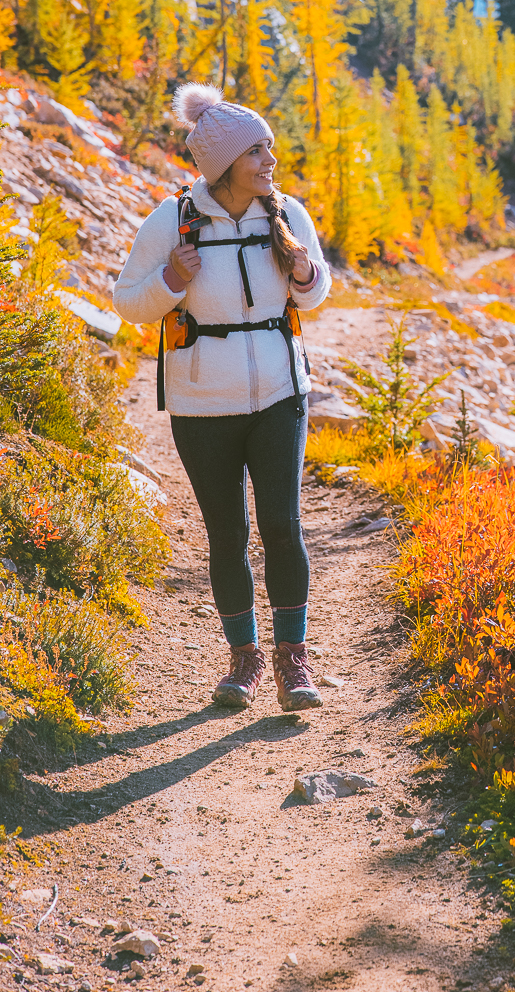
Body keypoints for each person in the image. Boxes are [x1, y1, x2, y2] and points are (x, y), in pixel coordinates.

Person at [114, 83, 331, 712]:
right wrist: (170, 281)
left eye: (268, 148)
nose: (270, 160)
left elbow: (316, 294)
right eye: (257, 152)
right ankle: (244, 659)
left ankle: (293, 657)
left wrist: (305, 275)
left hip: (281, 395)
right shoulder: (172, 221)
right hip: (201, 404)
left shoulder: (286, 212)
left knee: (282, 526)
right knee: (227, 535)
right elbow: (128, 302)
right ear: (224, 165)